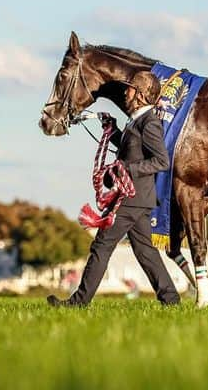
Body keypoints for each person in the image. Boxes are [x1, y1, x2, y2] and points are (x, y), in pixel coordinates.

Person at [48, 71, 180, 307]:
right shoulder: (138, 120)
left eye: (129, 89)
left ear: (139, 95)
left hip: (131, 198)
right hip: (139, 199)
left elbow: (161, 161)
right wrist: (113, 130)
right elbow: (133, 149)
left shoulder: (149, 122)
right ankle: (170, 300)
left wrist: (126, 169)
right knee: (146, 252)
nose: (125, 92)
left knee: (102, 245)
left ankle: (78, 302)